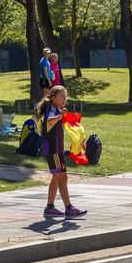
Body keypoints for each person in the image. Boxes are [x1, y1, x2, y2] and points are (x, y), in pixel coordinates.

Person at [39, 85, 87, 218]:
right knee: (62, 177)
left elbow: (68, 127)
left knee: (56, 177)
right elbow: (49, 121)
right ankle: (69, 208)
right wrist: (59, 116)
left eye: (65, 96)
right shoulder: (52, 110)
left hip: (56, 148)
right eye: (61, 96)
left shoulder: (57, 109)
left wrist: (80, 138)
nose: (64, 98)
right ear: (53, 98)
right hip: (53, 149)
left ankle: (50, 208)